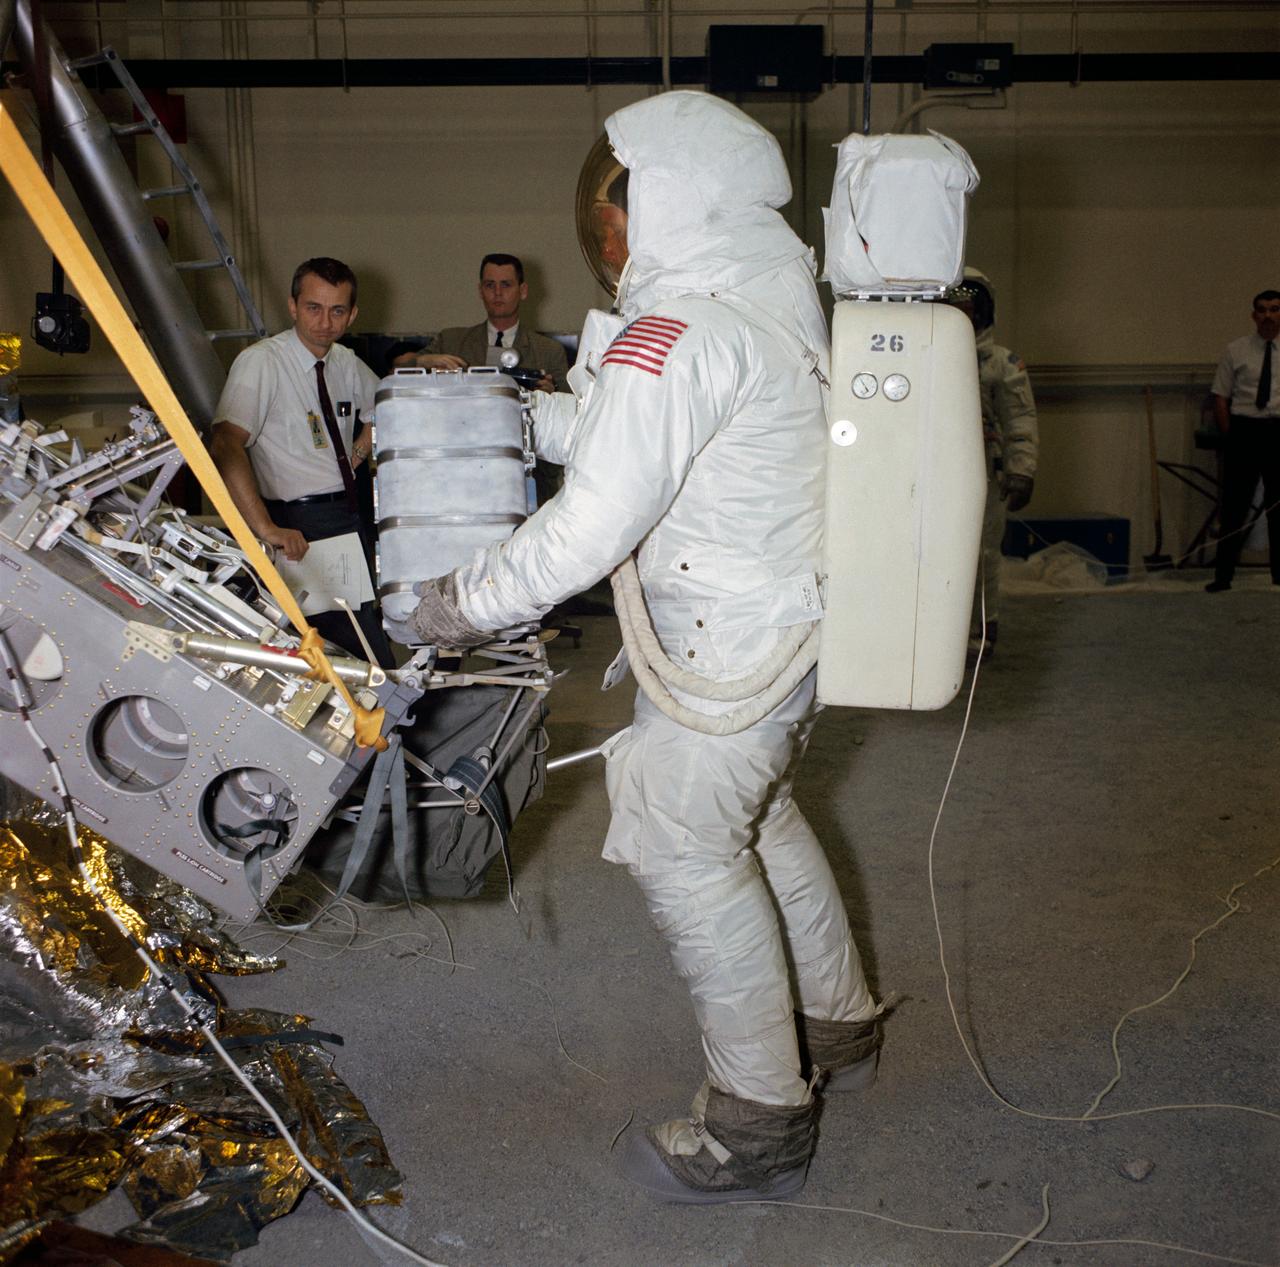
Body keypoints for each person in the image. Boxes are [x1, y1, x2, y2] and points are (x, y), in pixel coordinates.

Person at [395, 92, 881, 1204]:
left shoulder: (685, 332)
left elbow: (586, 529)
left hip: (725, 652)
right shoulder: (754, 311)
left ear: (674, 200)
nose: (602, 233)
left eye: (614, 206)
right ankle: (836, 1026)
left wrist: (450, 606)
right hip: (776, 636)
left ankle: (759, 1122)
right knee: (758, 819)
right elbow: (635, 437)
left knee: (686, 850)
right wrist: (508, 413)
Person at [209, 256, 392, 665]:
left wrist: (354, 457)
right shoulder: (263, 362)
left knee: (359, 642)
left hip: (347, 520)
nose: (324, 321)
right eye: (313, 307)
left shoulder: (346, 363)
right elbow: (225, 443)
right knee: (357, 657)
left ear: (352, 315)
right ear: (293, 306)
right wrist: (266, 528)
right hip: (296, 528)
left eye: (337, 310)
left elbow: (386, 412)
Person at [945, 267, 1038, 658]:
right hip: (935, 469)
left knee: (981, 553)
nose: (966, 316)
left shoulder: (999, 363)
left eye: (971, 309)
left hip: (983, 467)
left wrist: (1021, 470)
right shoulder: (930, 355)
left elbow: (1020, 419)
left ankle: (980, 632)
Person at [397, 254, 569, 394]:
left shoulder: (549, 352)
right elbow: (396, 372)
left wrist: (552, 394)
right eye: (489, 285)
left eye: (506, 285)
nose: (498, 293)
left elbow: (572, 408)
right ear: (480, 290)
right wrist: (423, 361)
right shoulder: (450, 341)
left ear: (523, 291)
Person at [1205, 289, 1280, 592]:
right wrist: (1230, 436)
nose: (1268, 315)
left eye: (1274, 309)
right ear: (1253, 315)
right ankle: (1223, 576)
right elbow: (1220, 397)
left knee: (1278, 507)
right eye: (1262, 310)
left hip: (1277, 430)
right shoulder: (1236, 350)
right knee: (1234, 507)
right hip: (1244, 429)